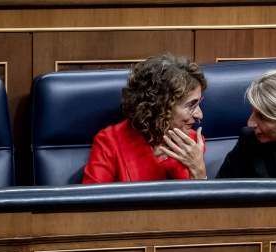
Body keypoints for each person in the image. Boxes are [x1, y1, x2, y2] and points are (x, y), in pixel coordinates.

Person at [83, 54, 207, 184]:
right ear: (161, 107)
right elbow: (90, 201)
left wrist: (198, 171)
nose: (200, 114)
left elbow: (204, 203)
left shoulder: (192, 144)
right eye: (191, 105)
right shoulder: (110, 142)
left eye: (198, 103)